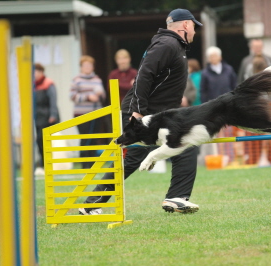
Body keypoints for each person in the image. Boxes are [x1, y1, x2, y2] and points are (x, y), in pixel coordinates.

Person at [79, 8, 203, 215]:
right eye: (194, 27)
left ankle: (176, 197)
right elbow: (144, 76)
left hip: (157, 114)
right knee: (139, 157)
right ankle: (91, 204)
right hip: (144, 114)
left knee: (182, 146)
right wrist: (137, 113)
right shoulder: (167, 44)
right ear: (185, 25)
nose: (195, 32)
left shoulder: (172, 45)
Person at [200, 46, 237, 163]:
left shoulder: (229, 70)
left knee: (229, 133)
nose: (213, 58)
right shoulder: (205, 73)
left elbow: (235, 87)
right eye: (210, 56)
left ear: (220, 57)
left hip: (228, 107)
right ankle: (218, 158)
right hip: (213, 108)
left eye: (215, 56)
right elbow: (203, 91)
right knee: (216, 134)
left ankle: (230, 158)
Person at [70, 55, 106, 169]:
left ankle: (93, 165)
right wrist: (87, 97)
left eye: (90, 65)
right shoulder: (76, 80)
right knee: (85, 138)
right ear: (81, 67)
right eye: (85, 65)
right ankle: (85, 165)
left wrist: (99, 95)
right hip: (81, 114)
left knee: (94, 139)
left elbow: (104, 97)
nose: (87, 67)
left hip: (96, 113)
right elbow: (72, 96)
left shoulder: (97, 79)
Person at [33, 63, 60, 175]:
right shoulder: (33, 85)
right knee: (39, 141)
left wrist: (53, 115)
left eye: (36, 71)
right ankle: (44, 164)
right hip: (38, 118)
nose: (34, 74)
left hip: (49, 118)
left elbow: (53, 100)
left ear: (41, 72)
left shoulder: (48, 83)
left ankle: (53, 165)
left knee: (50, 143)